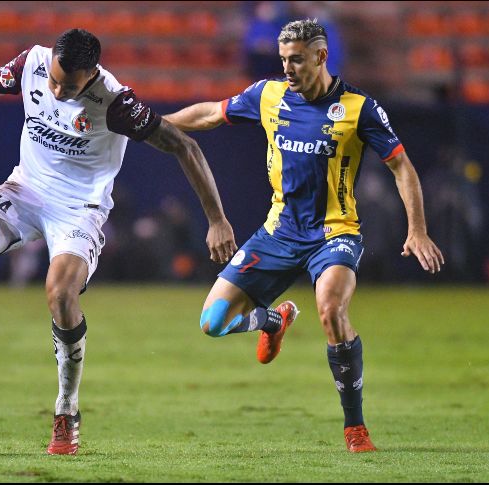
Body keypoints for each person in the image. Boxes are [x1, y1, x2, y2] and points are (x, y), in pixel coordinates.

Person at [0, 29, 237, 456]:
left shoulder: (117, 103)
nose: (57, 89)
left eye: (69, 85)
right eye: (55, 80)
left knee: (60, 293)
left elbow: (186, 147)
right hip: (25, 189)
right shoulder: (32, 63)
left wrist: (217, 220)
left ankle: (66, 412)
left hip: (80, 208)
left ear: (92, 75)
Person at [164, 18, 444, 453]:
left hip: (335, 234)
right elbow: (211, 113)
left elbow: (401, 166)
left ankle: (355, 428)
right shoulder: (269, 95)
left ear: (321, 55)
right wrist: (155, 125)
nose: (288, 69)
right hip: (278, 233)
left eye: (296, 60)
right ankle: (274, 320)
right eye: (283, 60)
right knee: (212, 323)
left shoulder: (359, 108)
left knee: (331, 309)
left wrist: (418, 229)